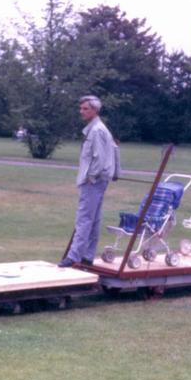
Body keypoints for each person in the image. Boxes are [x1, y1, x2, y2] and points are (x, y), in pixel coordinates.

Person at [58, 95, 120, 268]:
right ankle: (87, 256)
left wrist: (91, 177)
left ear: (95, 110)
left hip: (94, 180)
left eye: (85, 108)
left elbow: (99, 158)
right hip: (98, 180)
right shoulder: (96, 128)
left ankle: (73, 256)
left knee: (84, 218)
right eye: (81, 108)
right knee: (93, 219)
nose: (81, 111)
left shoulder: (97, 130)